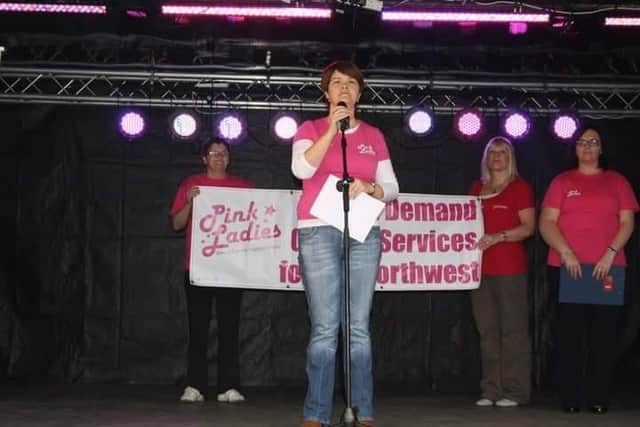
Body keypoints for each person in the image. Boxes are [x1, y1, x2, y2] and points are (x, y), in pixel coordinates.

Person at [291, 60, 399, 427]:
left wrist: (370, 187)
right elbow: (302, 170)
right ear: (326, 93)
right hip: (318, 229)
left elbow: (393, 188)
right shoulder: (309, 129)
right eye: (337, 83)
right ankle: (316, 413)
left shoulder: (374, 135)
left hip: (363, 231)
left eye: (351, 84)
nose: (344, 89)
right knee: (324, 328)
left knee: (357, 327)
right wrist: (331, 131)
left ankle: (363, 410)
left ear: (359, 93)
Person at [539, 127, 638, 414]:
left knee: (603, 337)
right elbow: (547, 222)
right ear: (575, 148)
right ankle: (571, 397)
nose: (588, 147)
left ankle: (598, 397)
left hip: (607, 269)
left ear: (601, 149)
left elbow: (627, 223)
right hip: (568, 269)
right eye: (583, 142)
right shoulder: (562, 181)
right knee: (569, 336)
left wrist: (609, 254)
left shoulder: (617, 182)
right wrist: (567, 252)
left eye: (594, 142)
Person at [170, 139, 253, 403]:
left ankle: (228, 386)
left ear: (229, 158)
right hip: (198, 268)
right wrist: (190, 202)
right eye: (214, 154)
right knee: (198, 328)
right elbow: (176, 223)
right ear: (204, 159)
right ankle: (194, 385)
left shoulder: (242, 186)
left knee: (230, 328)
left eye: (224, 153)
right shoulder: (191, 184)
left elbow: (258, 216)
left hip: (230, 268)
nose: (219, 157)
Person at [468, 136, 535, 408]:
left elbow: (528, 227)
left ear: (511, 158)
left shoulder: (519, 188)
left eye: (503, 152)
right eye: (492, 152)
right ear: (485, 158)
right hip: (477, 270)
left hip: (509, 268)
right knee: (487, 331)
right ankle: (491, 389)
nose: (497, 157)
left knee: (513, 331)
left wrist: (499, 237)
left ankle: (515, 391)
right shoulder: (476, 187)